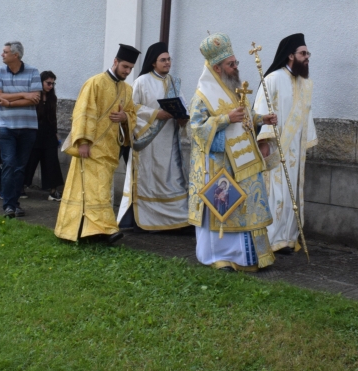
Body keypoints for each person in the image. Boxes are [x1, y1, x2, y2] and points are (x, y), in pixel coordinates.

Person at [187, 33, 277, 272]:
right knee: (222, 210)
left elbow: (244, 116)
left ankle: (247, 257)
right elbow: (195, 131)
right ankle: (218, 256)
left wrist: (261, 119)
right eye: (231, 64)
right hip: (218, 164)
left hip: (243, 161)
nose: (236, 67)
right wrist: (225, 119)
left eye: (236, 62)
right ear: (217, 68)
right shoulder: (201, 96)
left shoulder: (234, 88)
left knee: (245, 208)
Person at [54, 44, 139, 243]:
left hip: (111, 148)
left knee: (100, 189)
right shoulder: (95, 83)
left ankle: (92, 231)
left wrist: (125, 117)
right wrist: (83, 141)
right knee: (94, 189)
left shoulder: (127, 89)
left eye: (130, 69)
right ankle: (105, 229)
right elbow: (84, 112)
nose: (127, 71)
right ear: (115, 62)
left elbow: (132, 114)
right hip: (91, 147)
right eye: (125, 66)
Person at [254, 33, 317, 253]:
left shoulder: (306, 83)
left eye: (308, 53)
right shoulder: (272, 79)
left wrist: (306, 142)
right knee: (276, 193)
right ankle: (273, 239)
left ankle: (289, 238)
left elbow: (307, 115)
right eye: (303, 53)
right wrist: (263, 142)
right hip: (275, 146)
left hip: (295, 151)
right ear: (290, 56)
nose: (307, 57)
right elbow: (261, 111)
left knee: (293, 193)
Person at [116, 42, 189, 231]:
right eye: (163, 60)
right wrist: (156, 114)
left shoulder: (174, 82)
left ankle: (176, 222)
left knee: (173, 180)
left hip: (170, 141)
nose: (167, 63)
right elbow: (132, 109)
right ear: (153, 63)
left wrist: (183, 118)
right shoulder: (142, 81)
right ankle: (142, 221)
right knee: (147, 179)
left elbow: (182, 104)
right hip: (148, 142)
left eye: (169, 59)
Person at [0, 41, 41, 218]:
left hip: (28, 127)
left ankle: (15, 204)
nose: (2, 55)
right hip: (6, 127)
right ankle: (8, 205)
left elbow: (35, 99)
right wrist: (23, 94)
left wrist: (10, 102)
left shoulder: (33, 71)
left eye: (5, 52)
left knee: (20, 167)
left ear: (16, 55)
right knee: (9, 164)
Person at [24, 71, 65, 200]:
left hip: (49, 134)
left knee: (52, 161)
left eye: (53, 83)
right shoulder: (34, 96)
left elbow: (53, 118)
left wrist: (56, 134)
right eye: (48, 83)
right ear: (41, 82)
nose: (51, 86)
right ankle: (21, 187)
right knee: (30, 160)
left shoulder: (53, 98)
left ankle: (53, 190)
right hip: (34, 132)